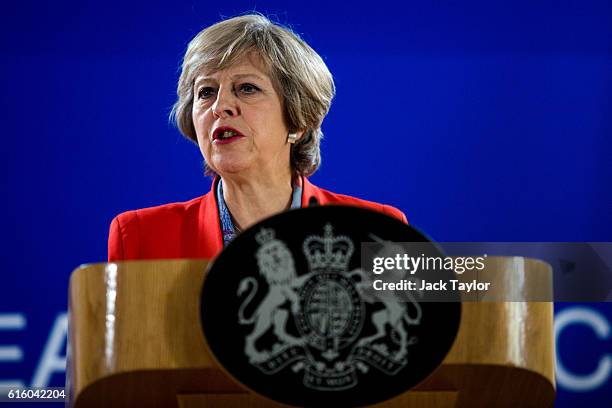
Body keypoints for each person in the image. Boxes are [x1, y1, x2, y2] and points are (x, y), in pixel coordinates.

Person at [108, 14, 407, 262]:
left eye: (247, 88)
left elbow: (429, 326)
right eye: (206, 92)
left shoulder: (381, 229)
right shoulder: (138, 236)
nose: (220, 106)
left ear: (298, 119)